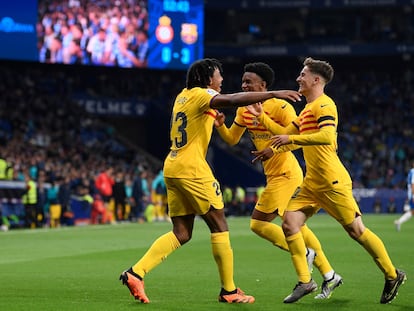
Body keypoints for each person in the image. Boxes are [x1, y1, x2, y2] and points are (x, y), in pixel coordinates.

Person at [119, 58, 302, 304]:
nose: (222, 80)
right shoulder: (202, 94)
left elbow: (210, 117)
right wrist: (273, 93)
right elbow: (232, 100)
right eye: (218, 76)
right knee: (219, 225)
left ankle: (135, 273)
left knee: (181, 233)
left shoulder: (182, 95)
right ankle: (229, 290)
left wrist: (217, 121)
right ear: (207, 79)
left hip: (172, 166)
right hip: (193, 169)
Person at [249, 57, 406, 304]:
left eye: (302, 74)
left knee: (357, 231)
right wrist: (263, 123)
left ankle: (392, 274)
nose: (298, 78)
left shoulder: (325, 106)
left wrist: (292, 141)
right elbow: (286, 134)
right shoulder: (307, 110)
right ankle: (305, 281)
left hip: (332, 181)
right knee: (289, 223)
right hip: (313, 183)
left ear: (316, 80)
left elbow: (324, 136)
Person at [215, 62, 342, 300]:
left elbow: (295, 139)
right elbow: (232, 139)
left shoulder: (281, 106)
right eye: (243, 82)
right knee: (298, 226)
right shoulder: (243, 110)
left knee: (258, 224)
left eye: (248, 82)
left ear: (262, 85)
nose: (243, 86)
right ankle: (329, 274)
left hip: (287, 173)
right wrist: (221, 127)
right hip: (273, 174)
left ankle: (304, 255)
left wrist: (272, 150)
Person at [394, 161, 414, 231]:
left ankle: (399, 222)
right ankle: (399, 221)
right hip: (412, 194)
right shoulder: (413, 172)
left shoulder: (410, 172)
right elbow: (412, 184)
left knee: (412, 212)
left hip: (411, 194)